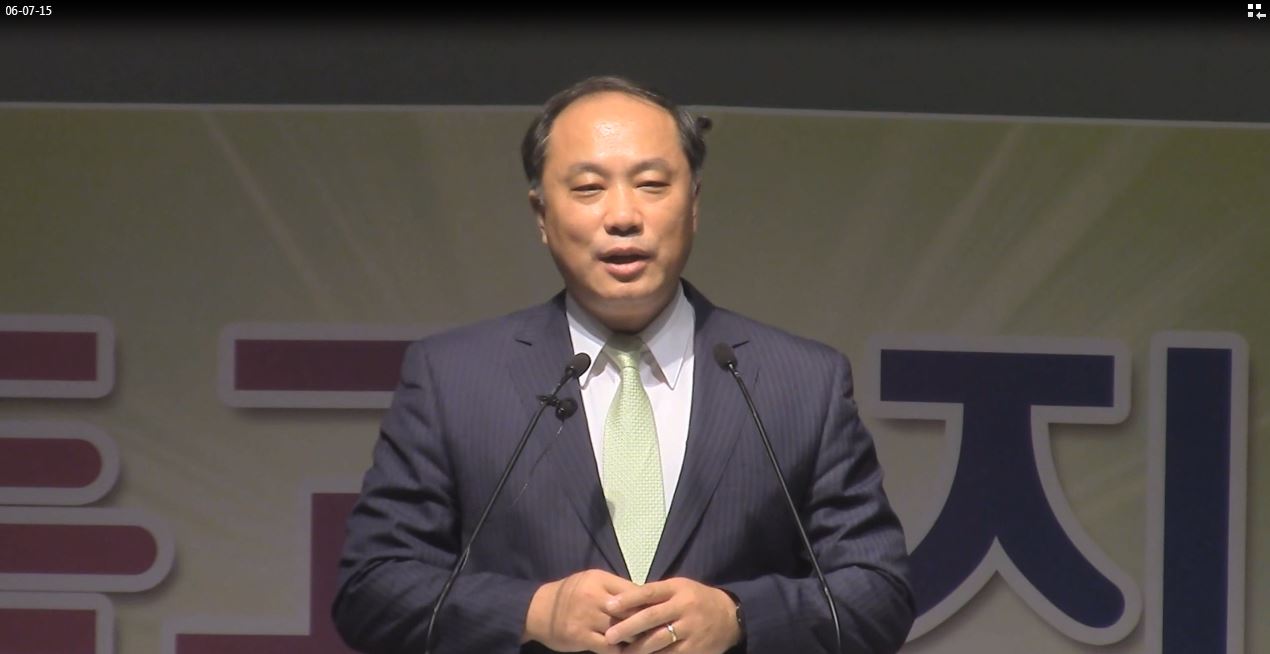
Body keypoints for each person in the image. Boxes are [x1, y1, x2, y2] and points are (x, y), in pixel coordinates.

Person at [332, 74, 914, 654]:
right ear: (540, 214)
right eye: (588, 188)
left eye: (652, 184)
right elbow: (371, 589)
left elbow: (878, 594)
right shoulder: (454, 378)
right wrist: (533, 612)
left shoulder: (802, 382)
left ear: (694, 203)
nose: (623, 216)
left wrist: (738, 615)